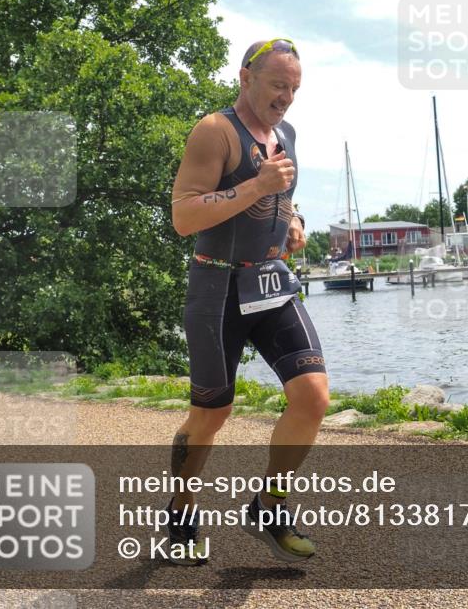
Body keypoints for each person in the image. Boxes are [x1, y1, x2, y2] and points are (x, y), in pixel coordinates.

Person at [166, 38, 328, 566]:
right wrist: (256, 188)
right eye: (278, 85)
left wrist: (294, 220)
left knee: (312, 397)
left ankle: (269, 506)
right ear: (245, 77)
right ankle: (181, 512)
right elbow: (184, 216)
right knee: (211, 415)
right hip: (217, 289)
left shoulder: (287, 134)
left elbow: (283, 193)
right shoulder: (214, 131)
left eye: (294, 88)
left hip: (271, 283)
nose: (287, 97)